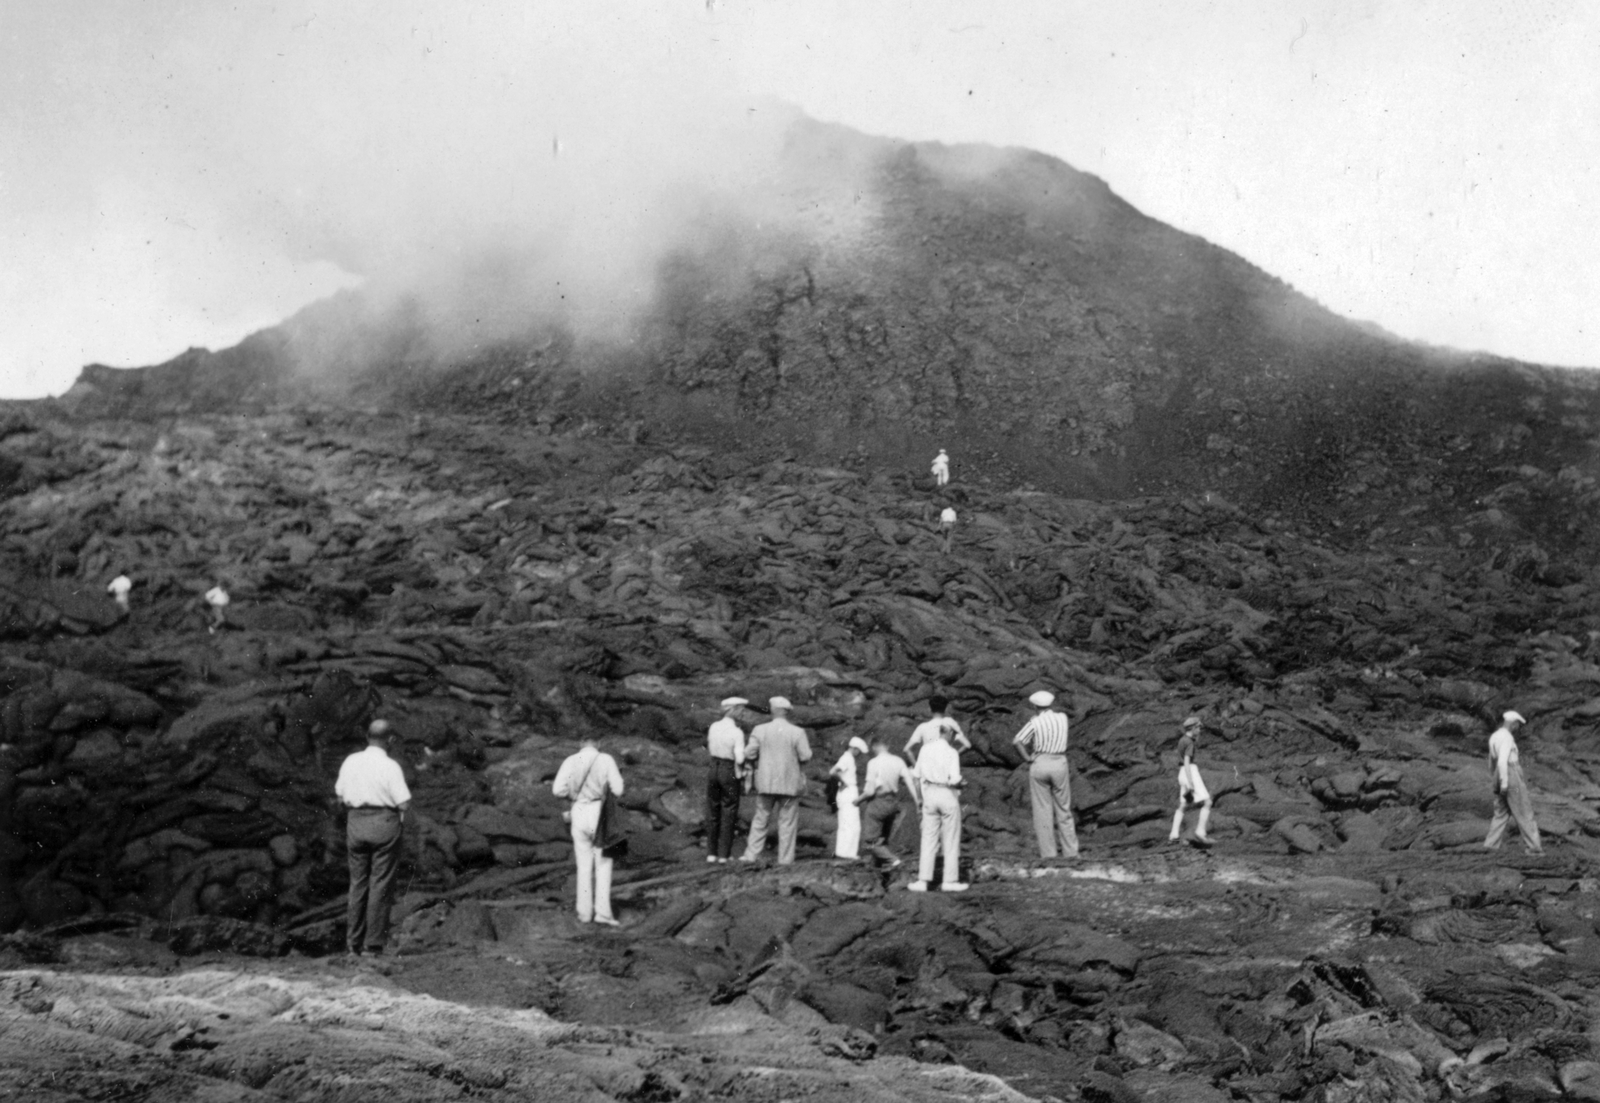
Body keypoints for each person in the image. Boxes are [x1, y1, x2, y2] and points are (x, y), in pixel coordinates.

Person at [334, 719, 412, 957]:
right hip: (383, 825)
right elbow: (404, 802)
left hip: (356, 824)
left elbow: (339, 795)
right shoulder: (391, 766)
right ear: (390, 740)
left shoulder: (350, 761)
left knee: (357, 883)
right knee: (380, 884)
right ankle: (373, 944)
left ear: (367, 737)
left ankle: (352, 944)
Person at [552, 733, 625, 925]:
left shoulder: (570, 760)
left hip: (578, 811)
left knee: (583, 866)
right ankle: (603, 913)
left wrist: (574, 794)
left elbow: (557, 790)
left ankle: (584, 914)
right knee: (603, 864)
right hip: (600, 813)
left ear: (580, 743)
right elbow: (618, 790)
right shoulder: (605, 759)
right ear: (599, 743)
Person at [741, 697, 813, 865]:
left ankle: (751, 855)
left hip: (766, 782)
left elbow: (749, 753)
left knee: (760, 818)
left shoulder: (760, 729)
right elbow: (806, 755)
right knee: (787, 822)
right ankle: (785, 860)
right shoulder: (797, 732)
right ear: (786, 711)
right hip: (789, 783)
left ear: (773, 710)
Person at [1013, 690, 1079, 859]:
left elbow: (1017, 741)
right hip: (1059, 762)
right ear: (1051, 703)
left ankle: (1048, 854)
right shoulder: (1062, 718)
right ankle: (1071, 852)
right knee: (1064, 809)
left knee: (1042, 811)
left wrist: (1028, 758)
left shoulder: (1035, 722)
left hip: (1040, 762)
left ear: (1035, 706)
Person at [909, 723, 968, 892]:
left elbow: (915, 777)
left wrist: (920, 799)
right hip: (947, 794)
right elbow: (955, 779)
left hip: (929, 794)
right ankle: (949, 881)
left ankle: (923, 881)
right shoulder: (951, 752)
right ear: (949, 734)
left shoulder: (925, 749)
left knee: (928, 839)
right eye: (954, 735)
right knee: (950, 839)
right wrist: (961, 784)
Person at [1483, 710, 1543, 856]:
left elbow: (1492, 761)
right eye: (1517, 724)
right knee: (1524, 812)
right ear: (1514, 723)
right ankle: (1534, 848)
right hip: (1510, 775)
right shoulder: (1507, 737)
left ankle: (1490, 845)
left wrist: (1495, 779)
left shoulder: (1495, 736)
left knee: (1501, 813)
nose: (1518, 728)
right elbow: (1503, 761)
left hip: (1499, 774)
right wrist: (1504, 783)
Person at [856, 735, 920, 867]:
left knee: (870, 842)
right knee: (882, 841)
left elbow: (869, 791)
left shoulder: (873, 763)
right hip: (892, 803)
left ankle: (894, 861)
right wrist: (918, 801)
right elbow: (910, 783)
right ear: (887, 746)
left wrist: (857, 801)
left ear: (874, 747)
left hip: (877, 803)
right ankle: (881, 870)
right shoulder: (898, 761)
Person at [705, 697, 748, 863]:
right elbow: (739, 757)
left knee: (712, 809)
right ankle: (724, 854)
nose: (742, 713)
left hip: (713, 767)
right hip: (728, 769)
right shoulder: (737, 732)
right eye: (741, 710)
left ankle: (711, 852)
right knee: (729, 810)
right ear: (733, 710)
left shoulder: (714, 727)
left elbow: (710, 747)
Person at [1168, 716, 1213, 845]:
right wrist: (1191, 781)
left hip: (1181, 773)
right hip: (1190, 772)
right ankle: (1200, 831)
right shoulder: (1189, 743)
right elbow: (1187, 762)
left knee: (1183, 805)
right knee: (1208, 802)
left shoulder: (1182, 740)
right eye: (1198, 727)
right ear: (1192, 728)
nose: (1199, 730)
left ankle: (1174, 835)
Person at [904, 696, 973, 762]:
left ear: (930, 709)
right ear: (945, 709)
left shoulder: (922, 727)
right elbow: (967, 745)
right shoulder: (949, 723)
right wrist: (953, 756)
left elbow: (906, 749)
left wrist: (916, 766)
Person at [831, 736, 868, 859]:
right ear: (855, 749)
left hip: (847, 791)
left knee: (846, 823)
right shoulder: (847, 758)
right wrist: (844, 782)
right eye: (858, 751)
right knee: (852, 824)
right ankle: (848, 853)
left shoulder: (847, 758)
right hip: (848, 791)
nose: (859, 754)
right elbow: (833, 771)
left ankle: (843, 851)